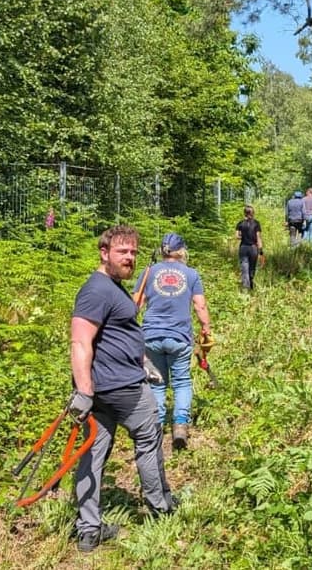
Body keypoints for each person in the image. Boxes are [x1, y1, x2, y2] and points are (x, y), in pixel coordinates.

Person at [69, 225, 177, 553]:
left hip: (109, 386)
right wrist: (84, 392)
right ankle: (162, 509)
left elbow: (114, 334)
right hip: (122, 388)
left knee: (93, 453)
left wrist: (142, 359)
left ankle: (88, 530)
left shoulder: (111, 287)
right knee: (148, 440)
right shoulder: (96, 290)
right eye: (122, 252)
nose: (129, 258)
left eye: (133, 252)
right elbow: (80, 342)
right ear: (104, 253)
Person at [137, 232, 211, 449]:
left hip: (151, 336)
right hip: (179, 337)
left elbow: (136, 303)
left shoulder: (148, 272)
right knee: (181, 382)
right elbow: (199, 305)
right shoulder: (191, 274)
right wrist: (206, 328)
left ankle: (156, 426)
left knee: (157, 383)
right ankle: (180, 426)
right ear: (181, 251)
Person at [235, 204, 263, 290]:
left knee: (244, 267)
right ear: (253, 213)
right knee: (252, 267)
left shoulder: (240, 223)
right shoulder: (256, 223)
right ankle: (251, 283)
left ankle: (245, 287)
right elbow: (258, 237)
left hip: (243, 248)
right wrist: (261, 250)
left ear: (244, 213)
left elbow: (237, 236)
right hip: (253, 248)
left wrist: (243, 236)